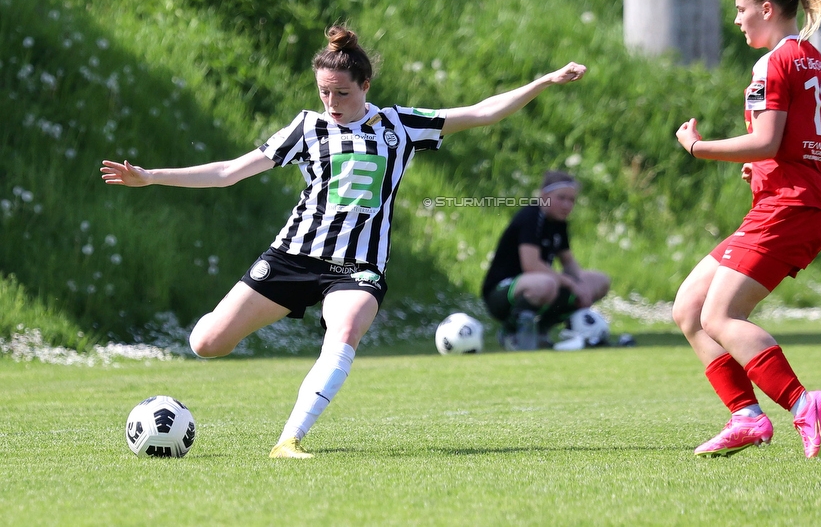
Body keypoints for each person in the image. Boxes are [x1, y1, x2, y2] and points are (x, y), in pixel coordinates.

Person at [101, 24, 587, 458]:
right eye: (323, 94)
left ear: (365, 87)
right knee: (206, 343)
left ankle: (289, 439)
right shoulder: (306, 128)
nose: (331, 104)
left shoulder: (398, 125)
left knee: (346, 330)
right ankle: (223, 336)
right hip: (293, 256)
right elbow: (229, 172)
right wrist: (151, 176)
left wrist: (543, 81)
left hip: (358, 267)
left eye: (341, 94)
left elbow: (481, 113)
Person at [672, 0, 821, 458]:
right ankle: (746, 417)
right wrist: (767, 164)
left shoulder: (773, 60)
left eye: (740, 9)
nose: (735, 19)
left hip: (791, 205)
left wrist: (699, 147)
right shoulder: (810, 57)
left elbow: (765, 138)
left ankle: (801, 402)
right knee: (690, 309)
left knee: (721, 315)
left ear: (765, 8)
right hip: (795, 200)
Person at [481, 170, 610, 350]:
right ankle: (510, 331)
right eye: (561, 198)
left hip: (541, 286)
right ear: (544, 196)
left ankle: (542, 331)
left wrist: (583, 287)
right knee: (546, 283)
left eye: (571, 200)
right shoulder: (531, 217)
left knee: (599, 281)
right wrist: (572, 285)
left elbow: (569, 263)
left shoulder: (559, 223)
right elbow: (531, 265)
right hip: (501, 291)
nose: (567, 205)